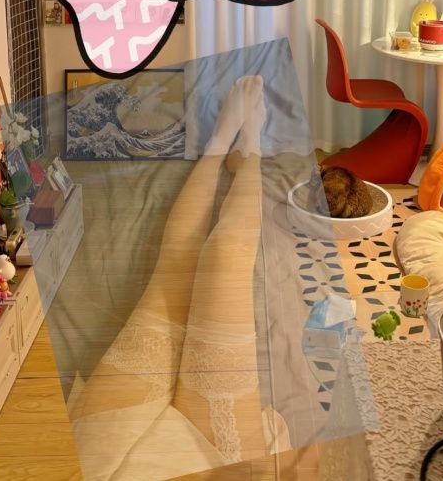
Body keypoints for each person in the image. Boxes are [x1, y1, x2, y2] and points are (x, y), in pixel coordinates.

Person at [72, 76, 287, 479]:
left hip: (105, 464)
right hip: (214, 464)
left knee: (175, 270)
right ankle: (250, 151)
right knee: (225, 257)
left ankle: (219, 147)